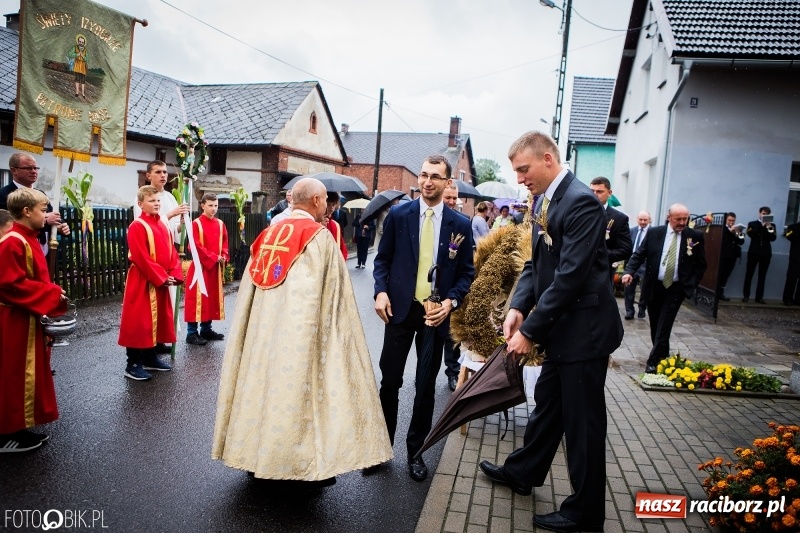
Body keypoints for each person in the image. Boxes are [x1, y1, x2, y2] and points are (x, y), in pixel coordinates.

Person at [477, 131, 622, 533]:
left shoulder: (580, 202)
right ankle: (523, 472)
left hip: (585, 334)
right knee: (548, 408)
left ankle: (585, 512)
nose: (520, 178)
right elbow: (534, 264)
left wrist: (531, 331)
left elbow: (571, 277)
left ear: (547, 158)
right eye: (516, 171)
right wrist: (518, 307)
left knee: (583, 426)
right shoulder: (545, 200)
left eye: (524, 169)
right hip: (564, 331)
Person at [212, 177, 392, 484]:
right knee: (301, 397)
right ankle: (300, 468)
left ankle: (257, 460)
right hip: (301, 340)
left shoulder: (268, 234)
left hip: (262, 338)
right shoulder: (319, 238)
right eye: (325, 202)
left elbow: (247, 293)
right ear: (318, 201)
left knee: (261, 391)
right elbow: (336, 300)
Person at [373, 154, 474, 481]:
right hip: (399, 312)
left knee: (425, 387)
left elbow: (466, 274)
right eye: (423, 174)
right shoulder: (400, 215)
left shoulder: (460, 225)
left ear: (447, 182)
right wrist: (380, 291)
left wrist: (451, 302)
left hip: (435, 316)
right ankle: (380, 449)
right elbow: (382, 260)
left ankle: (416, 453)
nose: (428, 181)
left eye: (435, 176)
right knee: (390, 382)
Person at [0, 188, 67, 452]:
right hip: (13, 318)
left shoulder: (27, 238)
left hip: (26, 316)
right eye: (43, 210)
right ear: (27, 212)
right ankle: (5, 435)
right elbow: (8, 285)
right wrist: (50, 293)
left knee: (25, 374)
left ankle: (19, 426)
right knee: (12, 373)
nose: (46, 215)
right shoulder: (13, 241)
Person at [622, 204, 706, 374]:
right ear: (669, 217)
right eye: (678, 219)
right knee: (655, 324)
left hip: (676, 288)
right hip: (654, 286)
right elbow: (639, 254)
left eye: (685, 219)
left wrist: (690, 284)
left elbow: (701, 265)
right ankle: (663, 357)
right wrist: (629, 271)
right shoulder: (655, 233)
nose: (682, 222)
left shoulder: (694, 236)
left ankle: (652, 362)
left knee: (665, 323)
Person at [119, 186, 184, 381]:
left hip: (160, 280)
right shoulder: (138, 225)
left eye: (158, 200)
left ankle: (150, 357)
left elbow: (171, 253)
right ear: (140, 204)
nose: (156, 204)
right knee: (139, 321)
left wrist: (173, 273)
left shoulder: (162, 225)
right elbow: (141, 257)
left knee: (155, 320)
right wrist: (162, 277)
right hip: (143, 280)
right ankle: (133, 364)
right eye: (151, 201)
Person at [134, 161, 189, 353]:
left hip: (166, 259)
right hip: (152, 262)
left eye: (165, 172)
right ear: (149, 175)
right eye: (158, 172)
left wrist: (181, 224)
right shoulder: (142, 197)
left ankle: (160, 340)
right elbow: (147, 226)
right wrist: (172, 214)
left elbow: (171, 232)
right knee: (148, 309)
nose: (163, 175)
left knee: (166, 305)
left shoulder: (170, 198)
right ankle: (149, 347)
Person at [0, 153, 70, 257]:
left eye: (35, 168)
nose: (33, 171)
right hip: (19, 251)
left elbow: (51, 214)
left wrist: (61, 226)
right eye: (28, 168)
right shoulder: (4, 194)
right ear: (14, 170)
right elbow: (10, 224)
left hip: (44, 252)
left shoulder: (40, 193)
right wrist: (46, 221)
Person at [184, 193, 229, 346]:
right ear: (202, 205)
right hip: (200, 268)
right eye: (210, 205)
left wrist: (223, 255)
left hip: (214, 269)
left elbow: (225, 243)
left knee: (210, 299)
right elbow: (195, 246)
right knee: (196, 299)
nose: (213, 208)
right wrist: (213, 257)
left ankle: (206, 329)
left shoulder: (220, 224)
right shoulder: (196, 224)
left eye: (216, 205)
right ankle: (191, 332)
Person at [441, 182, 469, 391]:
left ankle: (452, 372)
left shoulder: (462, 223)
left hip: (452, 292)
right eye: (448, 197)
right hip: (430, 291)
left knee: (451, 336)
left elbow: (466, 262)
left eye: (454, 198)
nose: (452, 201)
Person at [589, 177, 632, 279]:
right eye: (592, 191)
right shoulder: (579, 212)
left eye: (599, 191)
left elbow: (625, 250)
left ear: (609, 192)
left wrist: (599, 254)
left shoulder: (619, 218)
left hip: (601, 275)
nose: (594, 194)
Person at [742, 206, 776, 303]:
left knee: (762, 276)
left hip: (766, 254)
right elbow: (751, 234)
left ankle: (759, 297)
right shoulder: (752, 224)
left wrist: (769, 227)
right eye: (763, 214)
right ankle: (746, 295)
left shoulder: (772, 225)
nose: (764, 215)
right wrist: (761, 225)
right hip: (754, 252)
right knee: (749, 274)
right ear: (759, 213)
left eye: (767, 214)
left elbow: (773, 238)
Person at [624, 211, 651, 319]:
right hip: (632, 263)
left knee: (645, 289)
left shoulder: (653, 232)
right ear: (637, 219)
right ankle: (629, 311)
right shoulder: (632, 231)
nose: (643, 222)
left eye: (645, 220)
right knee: (629, 289)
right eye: (641, 219)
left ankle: (642, 309)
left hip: (646, 264)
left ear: (649, 220)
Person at [717, 212, 745, 301]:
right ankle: (716, 293)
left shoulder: (737, 229)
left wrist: (738, 234)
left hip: (732, 256)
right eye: (729, 220)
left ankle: (721, 293)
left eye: (733, 220)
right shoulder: (723, 229)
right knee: (719, 274)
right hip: (723, 255)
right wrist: (730, 232)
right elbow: (721, 239)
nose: (731, 222)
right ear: (726, 220)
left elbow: (741, 242)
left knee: (726, 275)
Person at [323, 191, 348, 259]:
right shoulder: (314, 222)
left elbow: (341, 248)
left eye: (333, 205)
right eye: (328, 204)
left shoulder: (335, 224)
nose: (331, 208)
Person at [783, 220, 800, 305]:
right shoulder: (793, 227)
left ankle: (798, 300)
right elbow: (788, 235)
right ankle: (787, 299)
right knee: (791, 279)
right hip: (796, 258)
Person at [67, 34, 89, 99]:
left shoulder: (85, 50)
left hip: (83, 67)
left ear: (84, 43)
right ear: (78, 42)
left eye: (82, 42)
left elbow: (87, 58)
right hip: (77, 65)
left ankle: (83, 93)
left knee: (83, 80)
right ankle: (77, 92)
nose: (81, 43)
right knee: (77, 79)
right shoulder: (75, 47)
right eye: (80, 42)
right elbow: (69, 54)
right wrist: (77, 54)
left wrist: (82, 56)